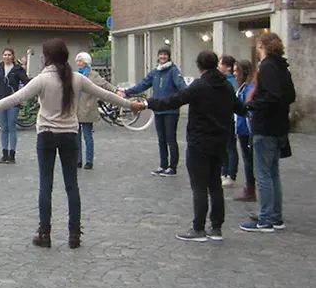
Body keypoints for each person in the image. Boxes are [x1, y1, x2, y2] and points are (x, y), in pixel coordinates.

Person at [0, 39, 138, 249]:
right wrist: (130, 104)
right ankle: (74, 235)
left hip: (46, 135)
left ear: (47, 57)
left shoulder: (42, 79)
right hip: (70, 135)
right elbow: (105, 94)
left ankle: (44, 234)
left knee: (46, 186)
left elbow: (14, 99)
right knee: (72, 186)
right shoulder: (77, 78)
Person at [143, 51, 244, 242]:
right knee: (215, 185)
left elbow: (174, 100)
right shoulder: (225, 85)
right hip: (220, 140)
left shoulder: (199, 86)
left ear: (199, 66)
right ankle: (216, 227)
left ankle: (198, 228)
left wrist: (148, 103)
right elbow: (239, 107)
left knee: (199, 186)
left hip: (199, 141)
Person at [240, 33, 295, 233]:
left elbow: (273, 96)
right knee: (272, 173)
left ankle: (265, 219)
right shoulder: (282, 66)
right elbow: (290, 95)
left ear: (262, 45)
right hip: (279, 126)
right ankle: (275, 216)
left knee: (263, 174)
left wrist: (251, 105)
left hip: (266, 126)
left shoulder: (268, 67)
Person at [119, 47, 187, 176]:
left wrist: (186, 96)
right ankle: (163, 165)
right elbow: (143, 84)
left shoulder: (173, 71)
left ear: (169, 56)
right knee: (161, 139)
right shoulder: (155, 72)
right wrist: (127, 92)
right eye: (160, 54)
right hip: (158, 110)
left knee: (171, 139)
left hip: (171, 111)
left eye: (165, 55)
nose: (162, 57)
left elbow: (182, 86)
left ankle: (172, 167)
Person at [74, 52, 116, 170]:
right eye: (77, 61)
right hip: (76, 110)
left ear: (86, 62)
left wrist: (115, 90)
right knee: (76, 137)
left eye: (80, 61)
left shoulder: (93, 75)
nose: (78, 63)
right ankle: (78, 160)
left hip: (87, 109)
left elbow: (104, 84)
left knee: (87, 137)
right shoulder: (76, 75)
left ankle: (89, 161)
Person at [233, 60, 257, 203]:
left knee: (249, 160)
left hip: (246, 129)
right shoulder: (243, 87)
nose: (235, 74)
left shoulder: (249, 88)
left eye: (237, 71)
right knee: (247, 159)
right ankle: (249, 187)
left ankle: (250, 189)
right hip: (241, 127)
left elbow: (247, 108)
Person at [219, 54, 239, 187]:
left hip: (230, 117)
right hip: (221, 117)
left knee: (230, 146)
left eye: (221, 64)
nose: (219, 67)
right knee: (223, 146)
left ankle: (231, 174)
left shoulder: (232, 82)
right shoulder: (222, 80)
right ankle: (224, 172)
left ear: (228, 67)